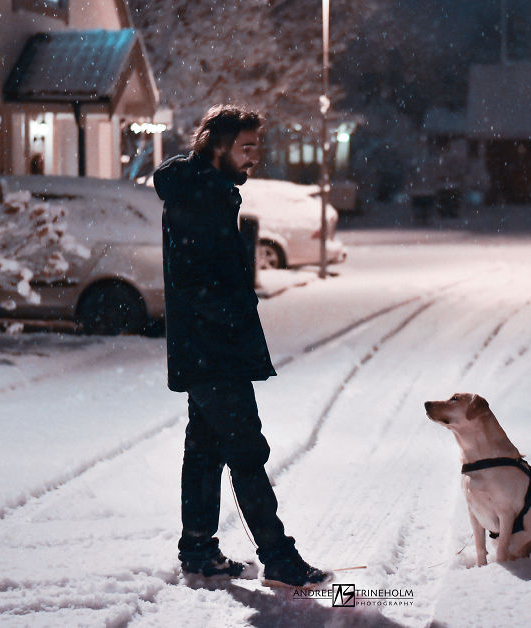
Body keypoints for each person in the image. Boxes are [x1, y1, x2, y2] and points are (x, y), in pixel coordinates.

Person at [153, 104, 331, 588]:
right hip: (214, 350)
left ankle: (198, 549)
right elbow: (198, 281)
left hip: (207, 348)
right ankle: (279, 559)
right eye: (246, 147)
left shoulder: (207, 191)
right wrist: (232, 323)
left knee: (205, 449)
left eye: (256, 147)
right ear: (217, 145)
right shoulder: (201, 198)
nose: (254, 158)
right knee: (247, 451)